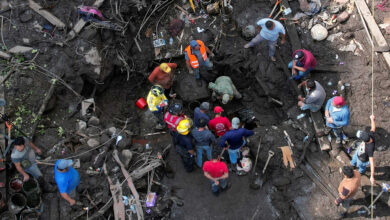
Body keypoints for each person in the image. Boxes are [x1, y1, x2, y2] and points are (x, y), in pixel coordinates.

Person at [351, 115, 376, 184]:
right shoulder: (371, 135)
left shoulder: (370, 149)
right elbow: (373, 127)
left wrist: (372, 176)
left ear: (364, 141)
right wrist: (372, 119)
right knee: (354, 157)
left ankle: (361, 172)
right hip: (359, 151)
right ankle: (352, 164)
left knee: (360, 165)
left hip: (363, 159)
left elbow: (372, 163)